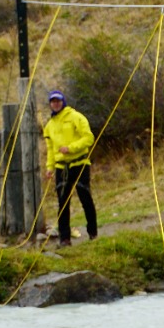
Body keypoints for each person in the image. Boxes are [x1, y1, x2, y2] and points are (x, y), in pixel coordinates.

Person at [42, 89, 98, 247]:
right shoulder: (49, 126)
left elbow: (89, 138)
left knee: (85, 198)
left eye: (58, 101)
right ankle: (64, 239)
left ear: (63, 102)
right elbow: (51, 150)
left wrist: (71, 148)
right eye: (53, 102)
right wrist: (49, 168)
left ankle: (93, 233)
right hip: (62, 168)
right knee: (63, 202)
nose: (56, 104)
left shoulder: (76, 117)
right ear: (50, 104)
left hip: (80, 164)